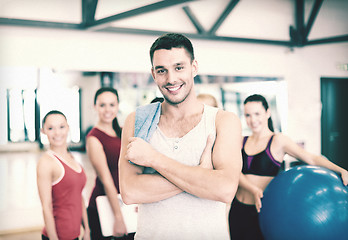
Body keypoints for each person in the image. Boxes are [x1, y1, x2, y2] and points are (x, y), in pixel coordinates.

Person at [118, 33, 242, 239]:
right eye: (162, 71)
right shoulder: (138, 120)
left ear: (194, 67)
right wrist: (201, 176)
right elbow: (130, 192)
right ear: (153, 74)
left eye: (179, 67)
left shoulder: (223, 121)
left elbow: (225, 189)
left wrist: (153, 159)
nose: (171, 79)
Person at [228, 94, 348, 240]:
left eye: (257, 114)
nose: (253, 120)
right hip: (238, 209)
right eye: (248, 115)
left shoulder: (278, 140)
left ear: (268, 112)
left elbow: (311, 158)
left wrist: (340, 169)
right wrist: (253, 189)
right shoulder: (241, 141)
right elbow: (232, 170)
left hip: (263, 212)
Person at [86, 87, 134, 240]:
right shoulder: (94, 138)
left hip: (125, 202)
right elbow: (106, 180)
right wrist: (118, 217)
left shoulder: (122, 131)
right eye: (102, 105)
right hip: (105, 207)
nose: (107, 110)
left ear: (118, 106)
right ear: (95, 107)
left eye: (112, 105)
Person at [37, 110, 90, 240]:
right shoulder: (46, 162)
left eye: (61, 127)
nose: (57, 133)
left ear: (68, 128)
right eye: (50, 128)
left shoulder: (71, 157)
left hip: (76, 234)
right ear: (43, 131)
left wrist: (87, 230)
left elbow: (79, 196)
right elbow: (46, 207)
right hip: (57, 236)